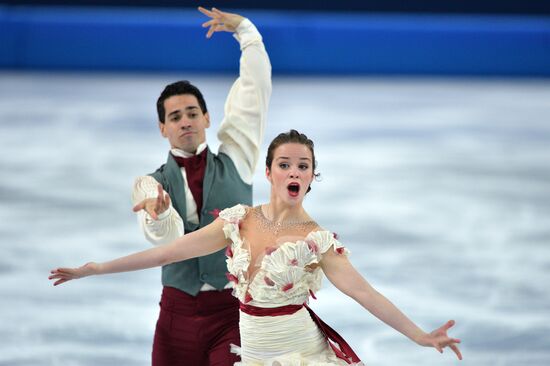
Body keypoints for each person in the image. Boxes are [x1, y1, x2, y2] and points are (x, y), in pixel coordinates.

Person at [50, 130, 463, 365]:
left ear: (313, 176)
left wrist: (420, 337)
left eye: (303, 165)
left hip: (299, 353)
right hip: (252, 354)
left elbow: (365, 293)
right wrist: (96, 268)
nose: (294, 171)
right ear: (269, 172)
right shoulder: (240, 220)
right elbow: (168, 252)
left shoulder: (315, 240)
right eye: (285, 164)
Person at [129, 6, 271, 366]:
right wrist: (159, 214)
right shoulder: (151, 185)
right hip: (175, 318)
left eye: (193, 113)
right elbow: (166, 239)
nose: (186, 121)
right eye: (175, 117)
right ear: (163, 128)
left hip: (232, 315)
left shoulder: (237, 159)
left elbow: (253, 96)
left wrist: (247, 33)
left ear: (207, 118)